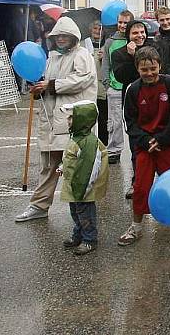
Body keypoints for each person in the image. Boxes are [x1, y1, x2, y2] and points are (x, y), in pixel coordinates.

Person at [15, 17, 97, 222]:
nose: (61, 39)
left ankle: (82, 216)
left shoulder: (82, 54)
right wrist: (38, 89)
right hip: (51, 121)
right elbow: (44, 80)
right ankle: (39, 205)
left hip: (72, 121)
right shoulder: (51, 57)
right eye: (57, 36)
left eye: (65, 36)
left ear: (73, 37)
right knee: (48, 167)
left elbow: (82, 79)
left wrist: (50, 85)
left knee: (75, 169)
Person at [118, 47, 170, 246]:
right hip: (145, 146)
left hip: (167, 144)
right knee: (140, 187)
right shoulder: (133, 89)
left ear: (159, 66)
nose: (149, 73)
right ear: (137, 69)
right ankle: (136, 226)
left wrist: (161, 139)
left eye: (153, 68)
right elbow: (129, 121)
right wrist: (146, 141)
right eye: (144, 70)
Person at [112, 19, 164, 197]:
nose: (140, 35)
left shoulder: (154, 49)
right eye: (135, 32)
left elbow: (159, 72)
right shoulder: (119, 53)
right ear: (128, 35)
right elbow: (121, 77)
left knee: (161, 141)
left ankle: (164, 182)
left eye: (142, 31)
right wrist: (132, 57)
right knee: (137, 144)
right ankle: (138, 182)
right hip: (134, 101)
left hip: (157, 101)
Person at [58, 100, 109, 256]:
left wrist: (84, 189)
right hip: (75, 185)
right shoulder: (77, 138)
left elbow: (91, 167)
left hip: (82, 187)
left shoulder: (88, 143)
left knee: (85, 214)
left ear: (83, 120)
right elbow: (70, 157)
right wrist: (62, 166)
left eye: (72, 118)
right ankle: (78, 234)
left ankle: (89, 239)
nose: (68, 121)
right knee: (76, 212)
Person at [101, 9, 134, 164]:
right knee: (114, 122)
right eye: (120, 22)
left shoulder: (134, 40)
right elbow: (106, 64)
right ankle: (114, 150)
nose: (122, 25)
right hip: (115, 87)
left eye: (125, 23)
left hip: (132, 87)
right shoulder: (110, 42)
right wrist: (107, 84)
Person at [86, 20, 109, 146]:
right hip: (88, 86)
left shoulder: (106, 45)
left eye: (100, 29)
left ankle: (103, 144)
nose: (97, 31)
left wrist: (104, 58)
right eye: (95, 28)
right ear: (90, 30)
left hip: (101, 87)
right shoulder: (85, 44)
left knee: (103, 117)